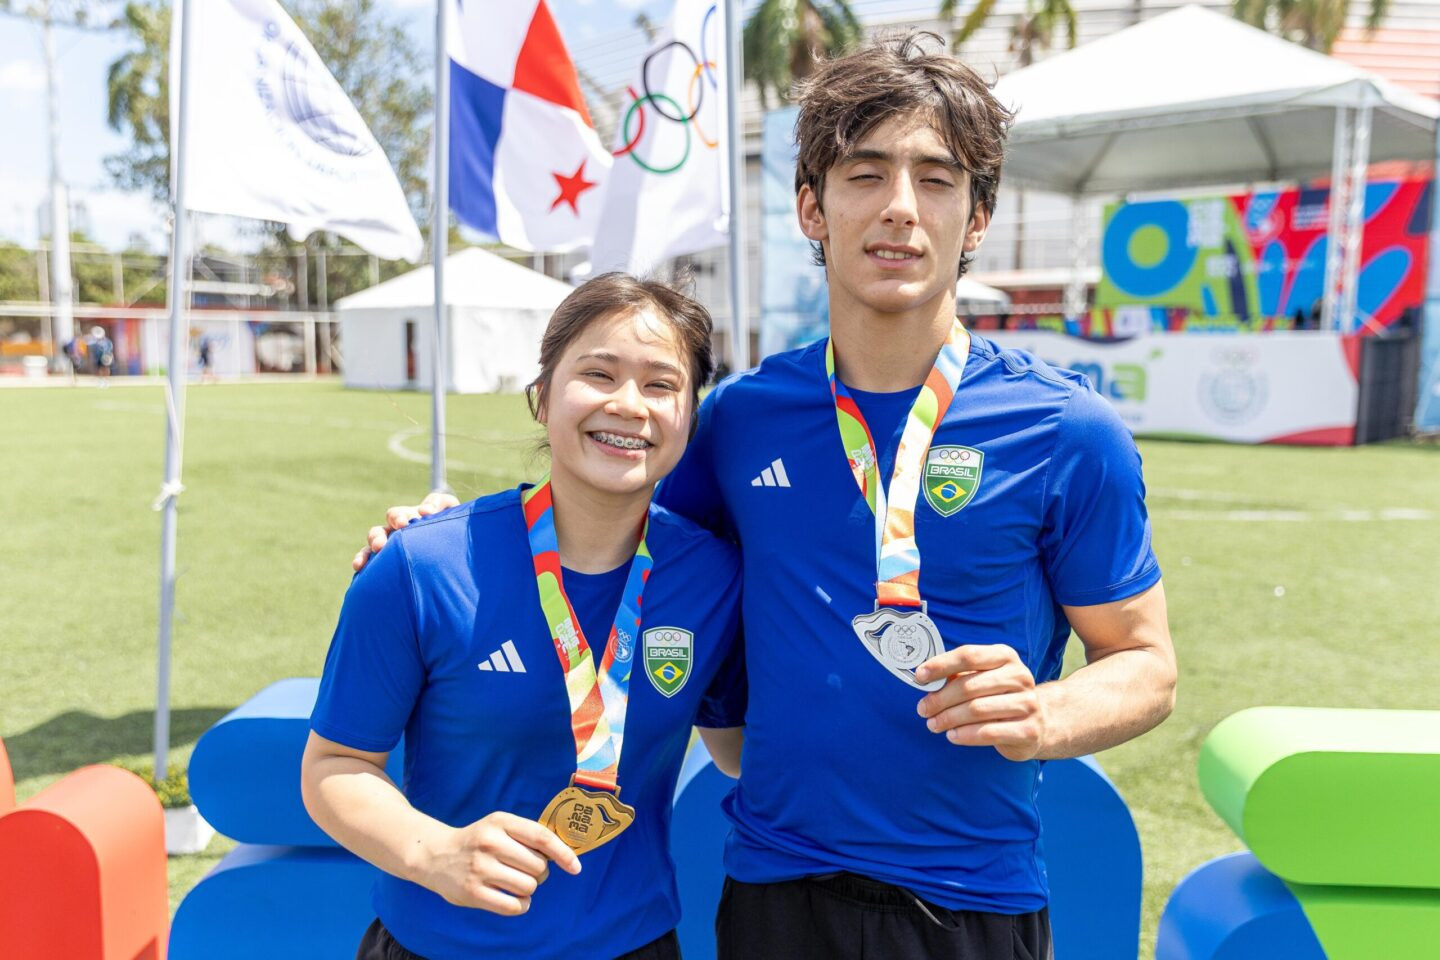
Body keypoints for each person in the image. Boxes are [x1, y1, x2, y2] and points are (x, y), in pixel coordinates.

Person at [362, 35, 1176, 960]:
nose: (900, 209)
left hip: (971, 894)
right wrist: (437, 535)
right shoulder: (741, 419)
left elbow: (1146, 665)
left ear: (978, 217)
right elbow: (606, 523)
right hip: (775, 889)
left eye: (937, 179)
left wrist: (1048, 714)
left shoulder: (1070, 430)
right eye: (865, 174)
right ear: (811, 208)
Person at [304, 274, 746, 960]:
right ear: (542, 398)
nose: (628, 404)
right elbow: (334, 765)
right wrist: (433, 851)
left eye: (661, 384)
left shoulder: (715, 578)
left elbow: (737, 749)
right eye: (597, 373)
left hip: (631, 945)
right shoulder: (422, 566)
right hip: (438, 947)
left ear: (689, 417)